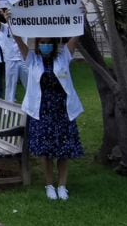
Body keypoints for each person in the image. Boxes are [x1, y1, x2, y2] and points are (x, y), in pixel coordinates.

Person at [15, 33, 85, 201]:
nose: (45, 45)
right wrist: (12, 23)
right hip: (41, 111)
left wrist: (79, 15)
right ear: (38, 44)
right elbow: (18, 39)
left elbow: (76, 36)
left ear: (54, 44)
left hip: (62, 111)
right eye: (42, 42)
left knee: (64, 149)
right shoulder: (32, 59)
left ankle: (62, 185)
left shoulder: (64, 57)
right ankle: (49, 185)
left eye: (48, 43)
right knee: (45, 150)